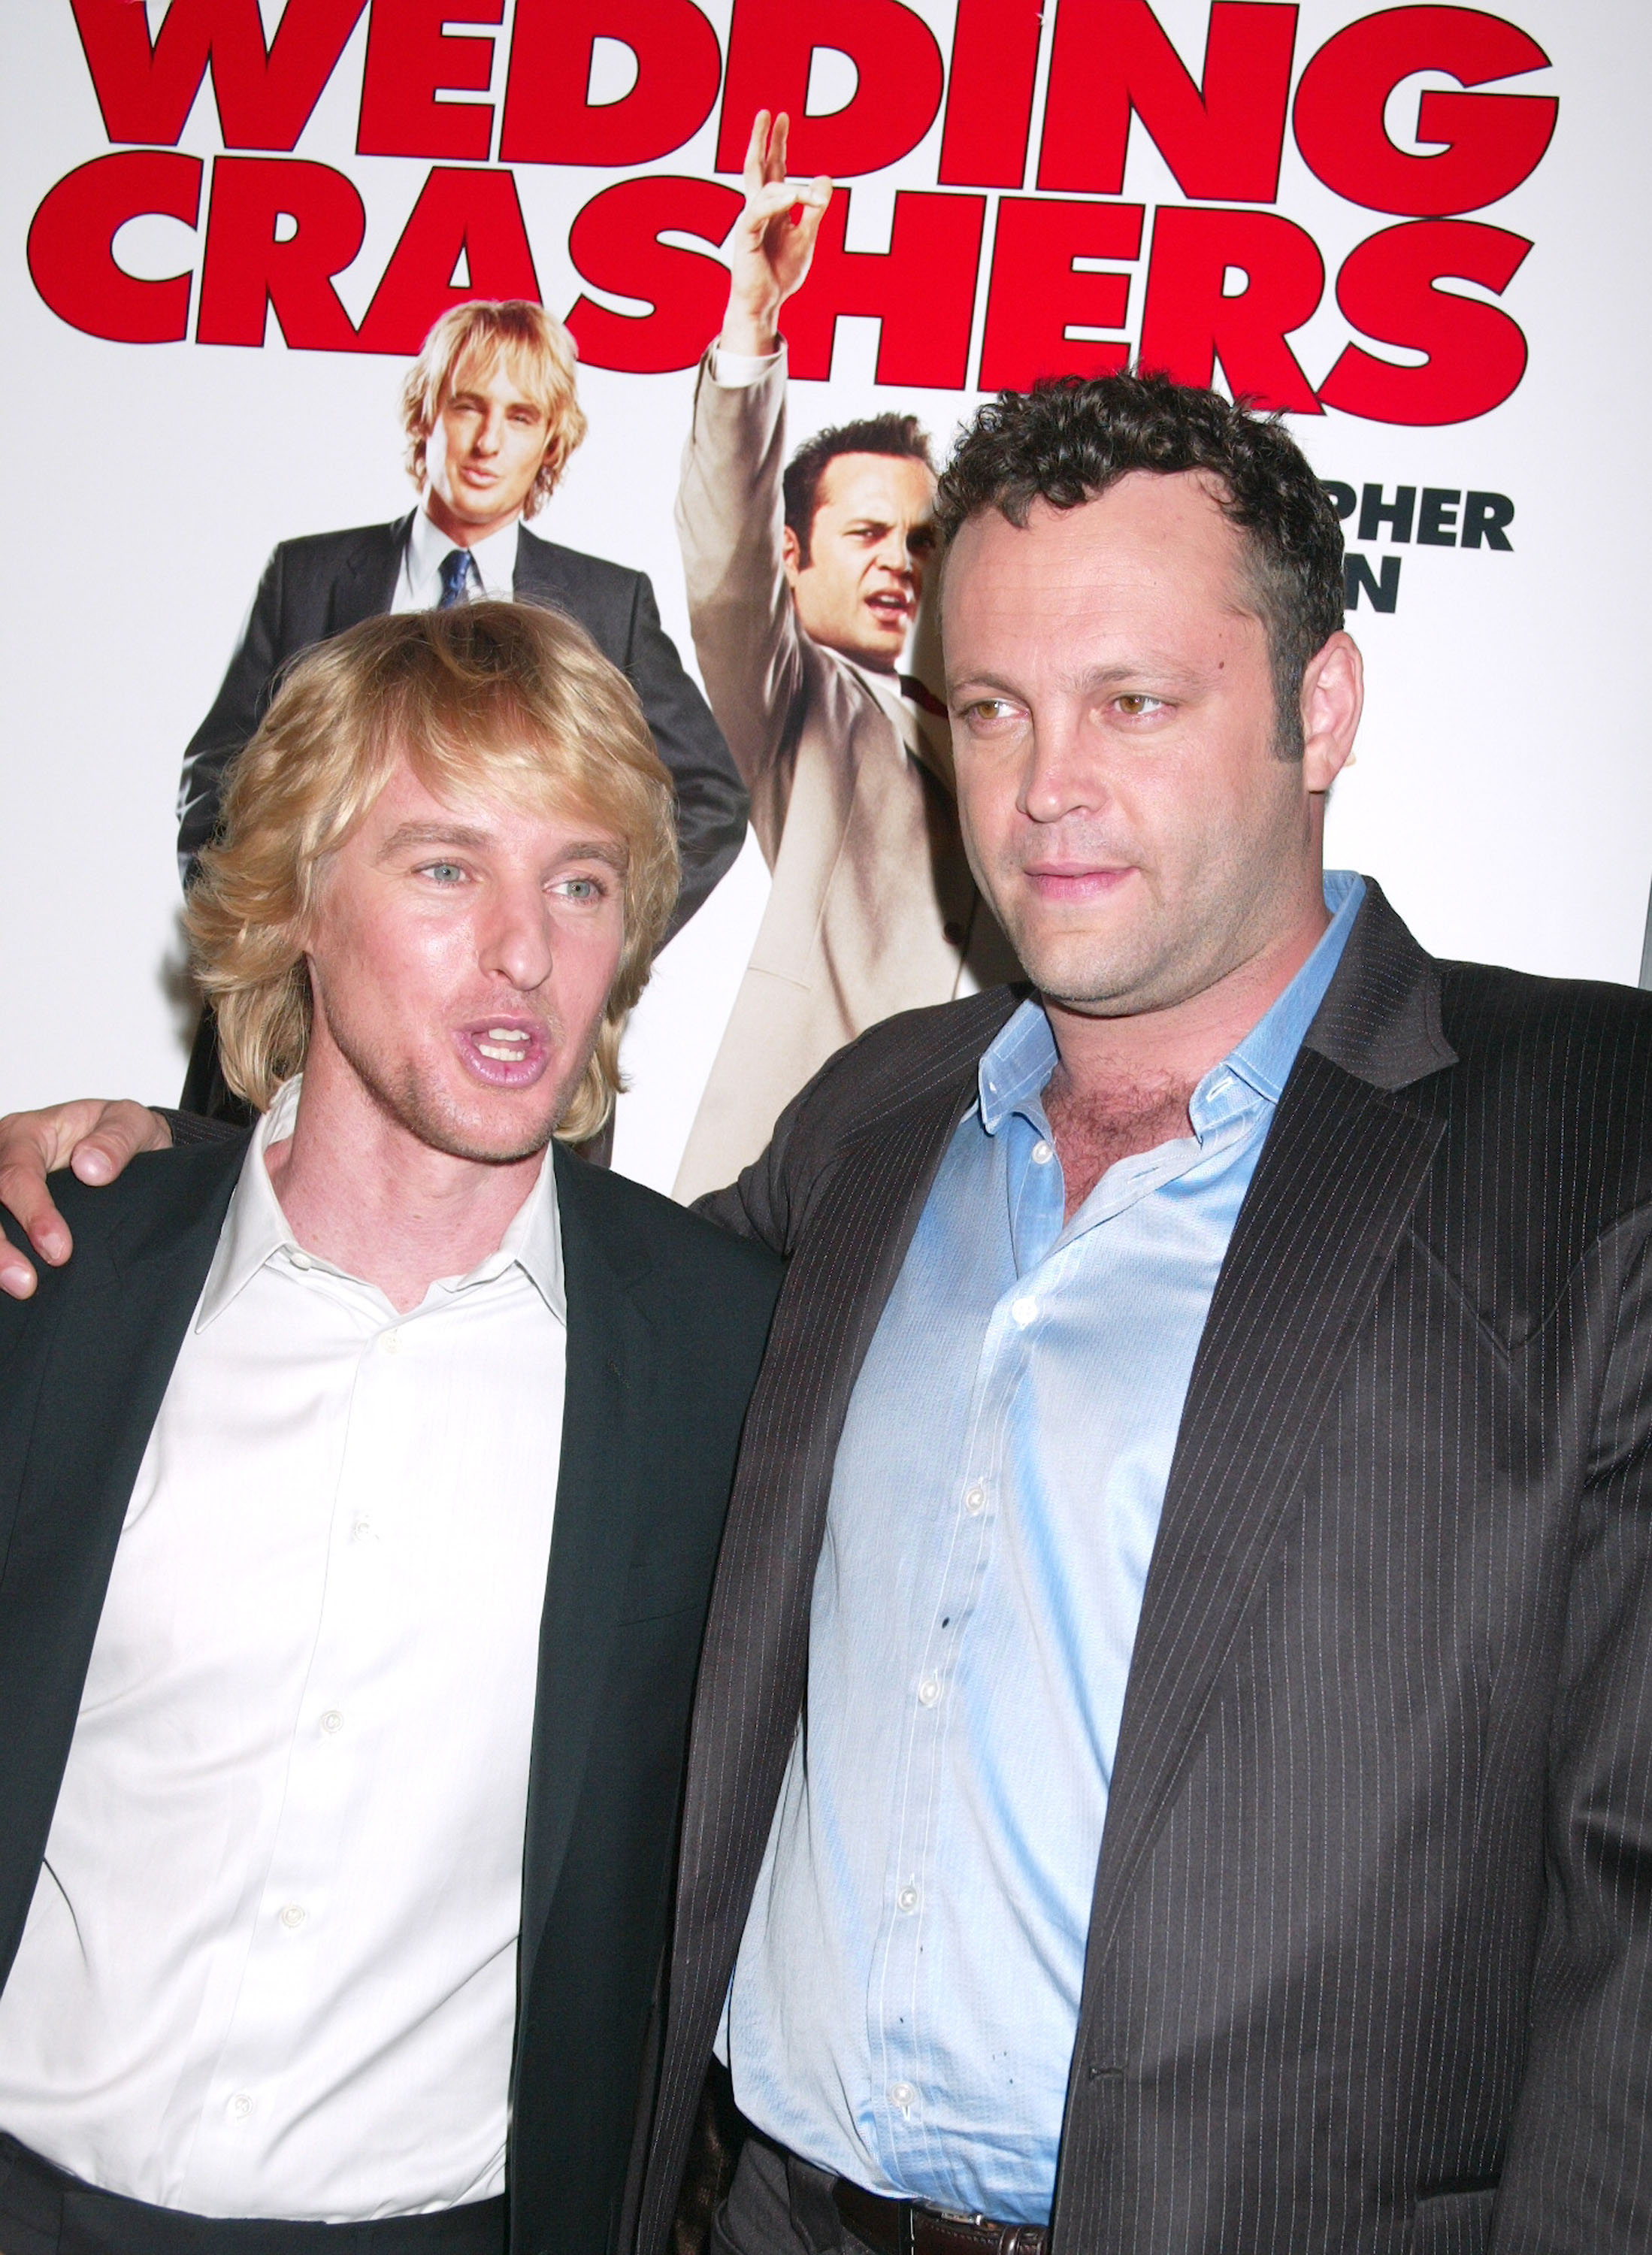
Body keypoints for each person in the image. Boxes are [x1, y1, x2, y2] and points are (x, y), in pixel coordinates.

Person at [9, 374, 1652, 2253]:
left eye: (1136, 701)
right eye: (992, 709)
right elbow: (496, 1249)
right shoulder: (875, 1125)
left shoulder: (1584, 1140)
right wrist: (154, 1166)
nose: (1048, 786)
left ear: (1320, 706)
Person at [0, 601, 779, 2255]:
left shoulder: (730, 1355)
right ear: (293, 904)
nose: (524, 950)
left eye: (579, 882)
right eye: (445, 868)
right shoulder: (60, 1274)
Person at [177, 297, 749, 1122]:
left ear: (551, 439)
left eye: (518, 416)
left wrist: (594, 927)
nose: (486, 442)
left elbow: (711, 794)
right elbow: (216, 784)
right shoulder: (311, 574)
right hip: (283, 1058)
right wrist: (273, 940)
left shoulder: (607, 604)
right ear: (426, 414)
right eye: (467, 406)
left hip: (512, 1065)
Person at [670, 110, 1013, 1203]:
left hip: (980, 1184)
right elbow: (724, 574)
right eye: (862, 533)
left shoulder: (993, 720)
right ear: (795, 555)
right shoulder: (805, 705)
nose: (897, 561)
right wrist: (750, 331)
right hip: (798, 1179)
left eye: (921, 537)